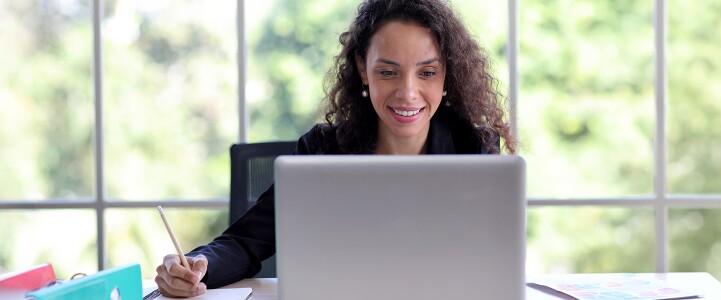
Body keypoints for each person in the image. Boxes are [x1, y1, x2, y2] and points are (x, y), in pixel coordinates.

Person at [154, 0, 516, 297]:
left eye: (427, 72)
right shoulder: (323, 149)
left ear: (446, 74)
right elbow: (246, 243)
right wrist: (193, 265)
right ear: (362, 69)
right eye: (388, 72)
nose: (408, 92)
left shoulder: (475, 147)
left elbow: (486, 262)